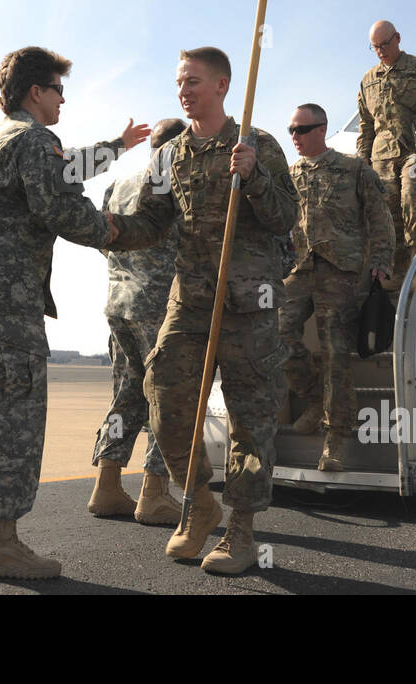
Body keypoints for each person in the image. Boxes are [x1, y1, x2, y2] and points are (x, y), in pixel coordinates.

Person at [0, 46, 149, 581]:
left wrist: (115, 147)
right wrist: (112, 231)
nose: (63, 98)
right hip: (3, 298)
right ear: (35, 92)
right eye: (57, 89)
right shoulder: (33, 139)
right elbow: (59, 203)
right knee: (18, 417)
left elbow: (62, 167)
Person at [108, 47, 297, 576]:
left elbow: (285, 217)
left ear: (222, 85)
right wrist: (108, 228)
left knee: (250, 418)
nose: (183, 90)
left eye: (192, 81)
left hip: (248, 303)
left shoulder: (257, 144)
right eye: (178, 82)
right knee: (163, 393)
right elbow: (150, 221)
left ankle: (240, 530)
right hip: (190, 299)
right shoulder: (171, 156)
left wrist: (255, 176)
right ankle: (197, 499)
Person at [277, 105, 394, 471]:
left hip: (340, 269)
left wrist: (381, 260)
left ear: (322, 129)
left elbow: (379, 215)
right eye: (291, 131)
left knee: (335, 351)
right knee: (277, 334)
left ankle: (336, 439)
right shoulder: (288, 175)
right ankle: (313, 398)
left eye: (301, 130)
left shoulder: (354, 168)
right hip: (299, 268)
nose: (294, 137)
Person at [87, 117, 187, 525]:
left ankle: (106, 485)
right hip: (160, 306)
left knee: (126, 395)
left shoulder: (121, 184)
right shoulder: (175, 187)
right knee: (167, 395)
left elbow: (102, 236)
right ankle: (154, 493)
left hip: (119, 301)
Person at [356, 20, 416, 282]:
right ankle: (399, 279)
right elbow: (366, 124)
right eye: (375, 47)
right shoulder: (367, 81)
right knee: (388, 217)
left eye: (384, 44)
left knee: (412, 199)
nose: (380, 51)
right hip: (382, 159)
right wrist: (363, 159)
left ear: (398, 38)